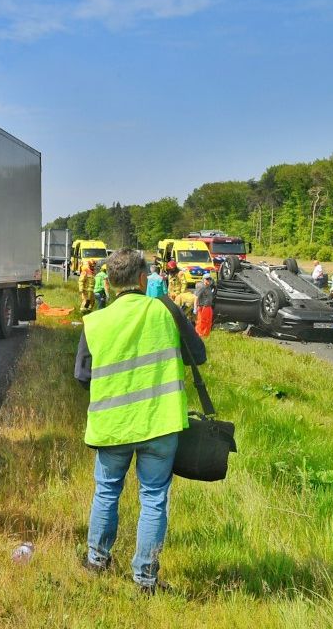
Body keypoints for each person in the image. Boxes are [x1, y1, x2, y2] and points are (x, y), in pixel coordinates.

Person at [74, 249, 207, 593]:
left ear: (112, 281)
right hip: (160, 424)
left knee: (106, 490)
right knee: (154, 498)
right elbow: (200, 354)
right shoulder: (165, 311)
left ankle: (96, 561)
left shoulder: (96, 321)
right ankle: (145, 579)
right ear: (142, 279)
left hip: (113, 425)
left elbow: (82, 375)